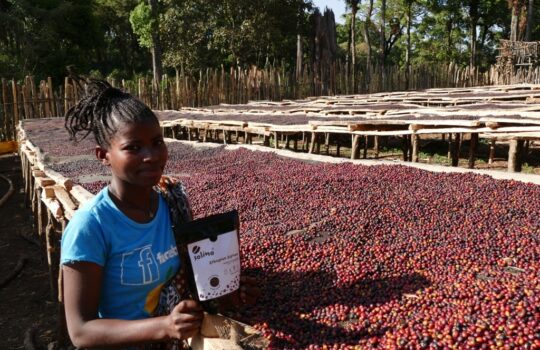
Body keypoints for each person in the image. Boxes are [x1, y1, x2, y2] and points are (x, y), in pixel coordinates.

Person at [60, 79, 258, 349]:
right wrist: (164, 326)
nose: (151, 156)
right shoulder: (91, 226)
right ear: (103, 155)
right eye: (133, 147)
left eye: (157, 142)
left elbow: (189, 280)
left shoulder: (172, 202)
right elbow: (81, 332)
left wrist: (224, 291)